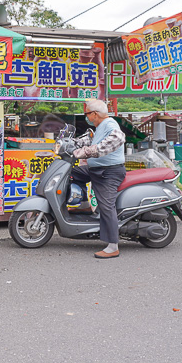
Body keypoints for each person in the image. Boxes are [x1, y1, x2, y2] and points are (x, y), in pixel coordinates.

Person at [70, 99, 127, 260]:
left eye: (87, 113)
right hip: (96, 169)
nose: (86, 117)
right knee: (72, 173)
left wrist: (89, 151)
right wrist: (70, 143)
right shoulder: (99, 128)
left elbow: (117, 138)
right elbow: (88, 140)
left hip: (109, 172)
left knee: (106, 204)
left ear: (94, 114)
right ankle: (84, 205)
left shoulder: (110, 124)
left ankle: (112, 246)